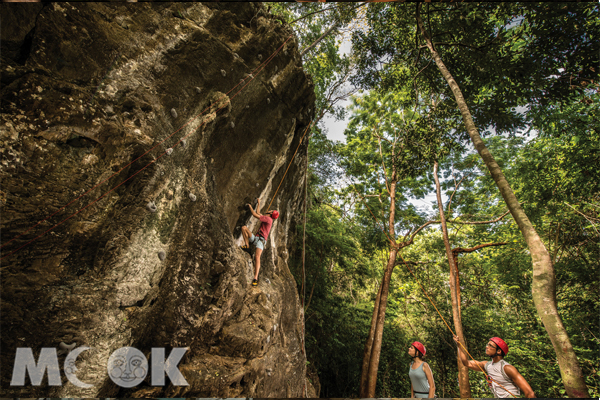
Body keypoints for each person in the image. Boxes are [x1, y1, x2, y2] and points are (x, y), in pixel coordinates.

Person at [453, 335, 536, 398]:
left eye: (490, 346)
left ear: (499, 351)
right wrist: (458, 345)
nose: (486, 347)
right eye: (487, 344)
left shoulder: (507, 368)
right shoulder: (487, 365)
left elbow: (530, 393)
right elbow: (466, 363)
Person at [240, 198, 279, 287]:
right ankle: (247, 246)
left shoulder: (269, 220)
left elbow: (254, 214)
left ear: (271, 213)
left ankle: (255, 278)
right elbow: (258, 213)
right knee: (244, 228)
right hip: (256, 238)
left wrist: (250, 207)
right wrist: (259, 203)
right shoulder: (267, 218)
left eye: (271, 210)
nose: (270, 209)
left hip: (261, 242)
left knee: (257, 257)